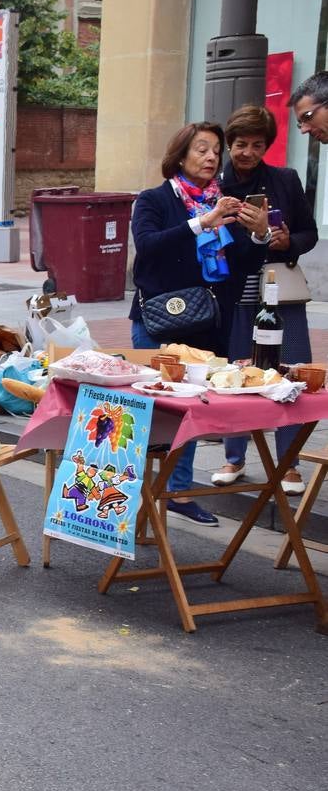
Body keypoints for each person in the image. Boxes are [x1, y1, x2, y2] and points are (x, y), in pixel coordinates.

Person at [131, 121, 269, 527]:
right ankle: (131, 490)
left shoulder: (228, 203)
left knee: (192, 409)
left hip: (210, 322)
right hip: (161, 318)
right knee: (152, 409)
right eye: (202, 150)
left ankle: (177, 491)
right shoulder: (154, 200)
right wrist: (202, 222)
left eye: (215, 151)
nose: (211, 158)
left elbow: (243, 265)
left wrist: (258, 236)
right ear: (180, 156)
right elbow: (149, 247)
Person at [207, 106, 319, 495]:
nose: (247, 153)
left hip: (280, 289)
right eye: (240, 145)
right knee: (235, 375)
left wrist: (289, 242)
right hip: (237, 292)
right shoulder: (214, 186)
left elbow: (309, 232)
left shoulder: (284, 180)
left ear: (266, 146)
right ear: (229, 145)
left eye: (257, 145)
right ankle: (233, 457)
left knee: (288, 373)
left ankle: (288, 466)